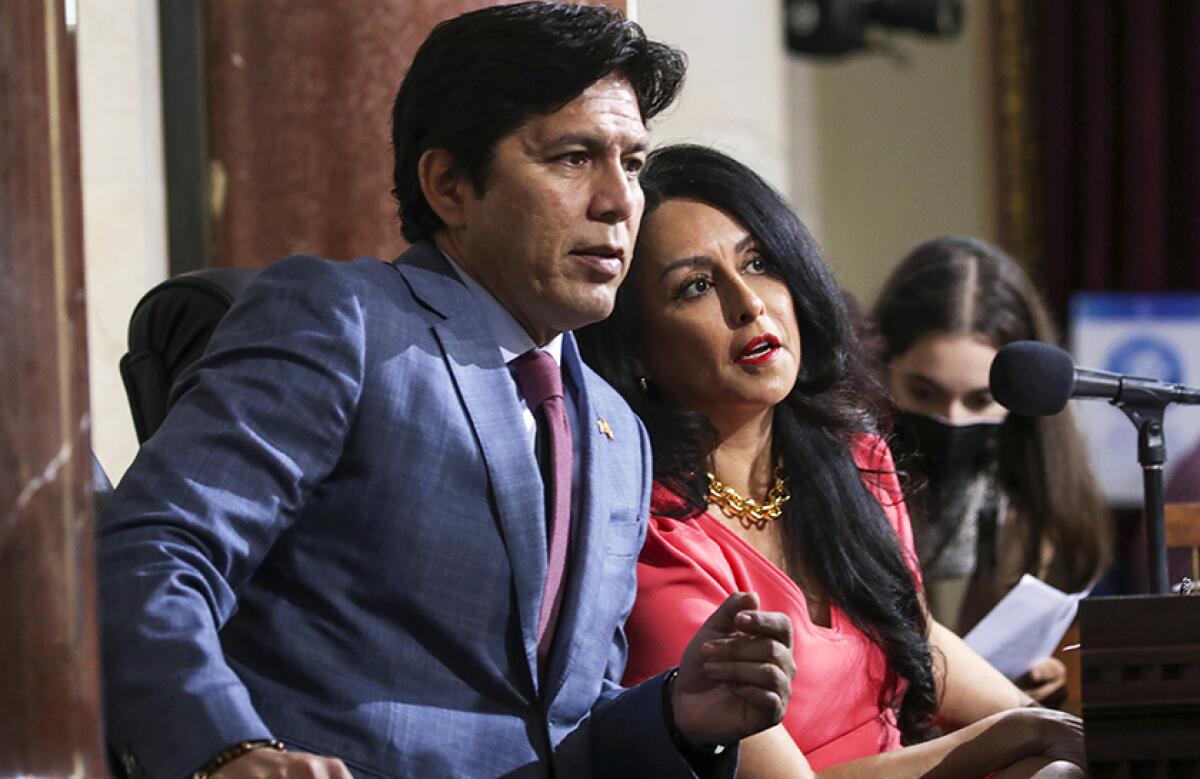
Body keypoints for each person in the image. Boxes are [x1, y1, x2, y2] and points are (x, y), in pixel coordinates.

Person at [96, 6, 797, 778]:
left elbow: (561, 724)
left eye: (632, 162)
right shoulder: (345, 321)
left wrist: (678, 715)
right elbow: (151, 550)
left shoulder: (617, 429)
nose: (618, 200)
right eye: (572, 158)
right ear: (449, 185)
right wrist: (223, 749)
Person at [577, 144, 1085, 778]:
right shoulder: (652, 535)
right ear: (638, 349)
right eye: (697, 287)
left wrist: (1058, 732)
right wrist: (1007, 736)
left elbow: (917, 637)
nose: (749, 303)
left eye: (759, 262)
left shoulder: (853, 456)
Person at [871, 236, 1112, 702]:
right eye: (924, 392)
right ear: (881, 366)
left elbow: (994, 646)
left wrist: (1026, 679)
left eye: (981, 399)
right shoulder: (852, 456)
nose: (954, 419)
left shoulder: (1032, 469)